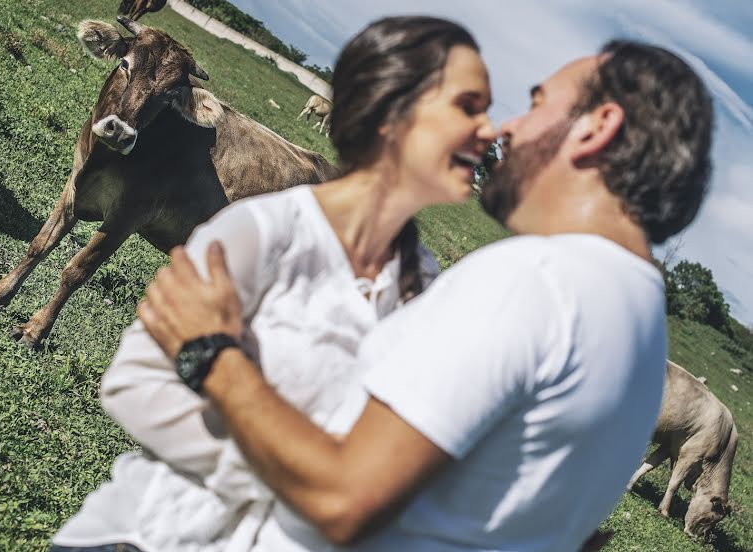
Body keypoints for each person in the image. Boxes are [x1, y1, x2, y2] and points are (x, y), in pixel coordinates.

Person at [139, 40, 714, 551]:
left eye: (538, 104)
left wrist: (208, 350)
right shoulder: (639, 323)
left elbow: (344, 496)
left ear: (598, 126)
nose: (501, 130)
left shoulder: (536, 281)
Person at [51, 16, 495, 552]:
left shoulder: (425, 288)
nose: (489, 132)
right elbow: (132, 386)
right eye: (466, 108)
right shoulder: (260, 227)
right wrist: (307, 486)